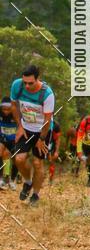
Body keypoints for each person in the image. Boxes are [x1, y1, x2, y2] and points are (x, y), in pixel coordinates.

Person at [11, 65, 55, 206]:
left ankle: (35, 195)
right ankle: (27, 182)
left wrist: (41, 139)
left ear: (38, 79)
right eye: (25, 82)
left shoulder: (47, 94)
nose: (27, 86)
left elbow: (48, 120)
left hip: (43, 130)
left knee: (37, 162)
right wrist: (19, 125)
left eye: (31, 83)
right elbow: (13, 105)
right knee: (19, 159)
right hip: (26, 128)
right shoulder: (17, 86)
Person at [0, 96, 19, 190]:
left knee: (17, 160)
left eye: (8, 109)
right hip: (3, 139)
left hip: (14, 140)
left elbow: (21, 126)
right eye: (4, 109)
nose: (6, 111)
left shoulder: (15, 115)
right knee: (1, 153)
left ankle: (12, 179)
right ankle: (2, 178)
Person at [46, 118, 61, 183]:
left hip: (51, 143)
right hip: (40, 141)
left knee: (51, 160)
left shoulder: (56, 126)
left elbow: (58, 139)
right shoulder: (39, 122)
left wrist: (56, 151)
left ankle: (51, 178)